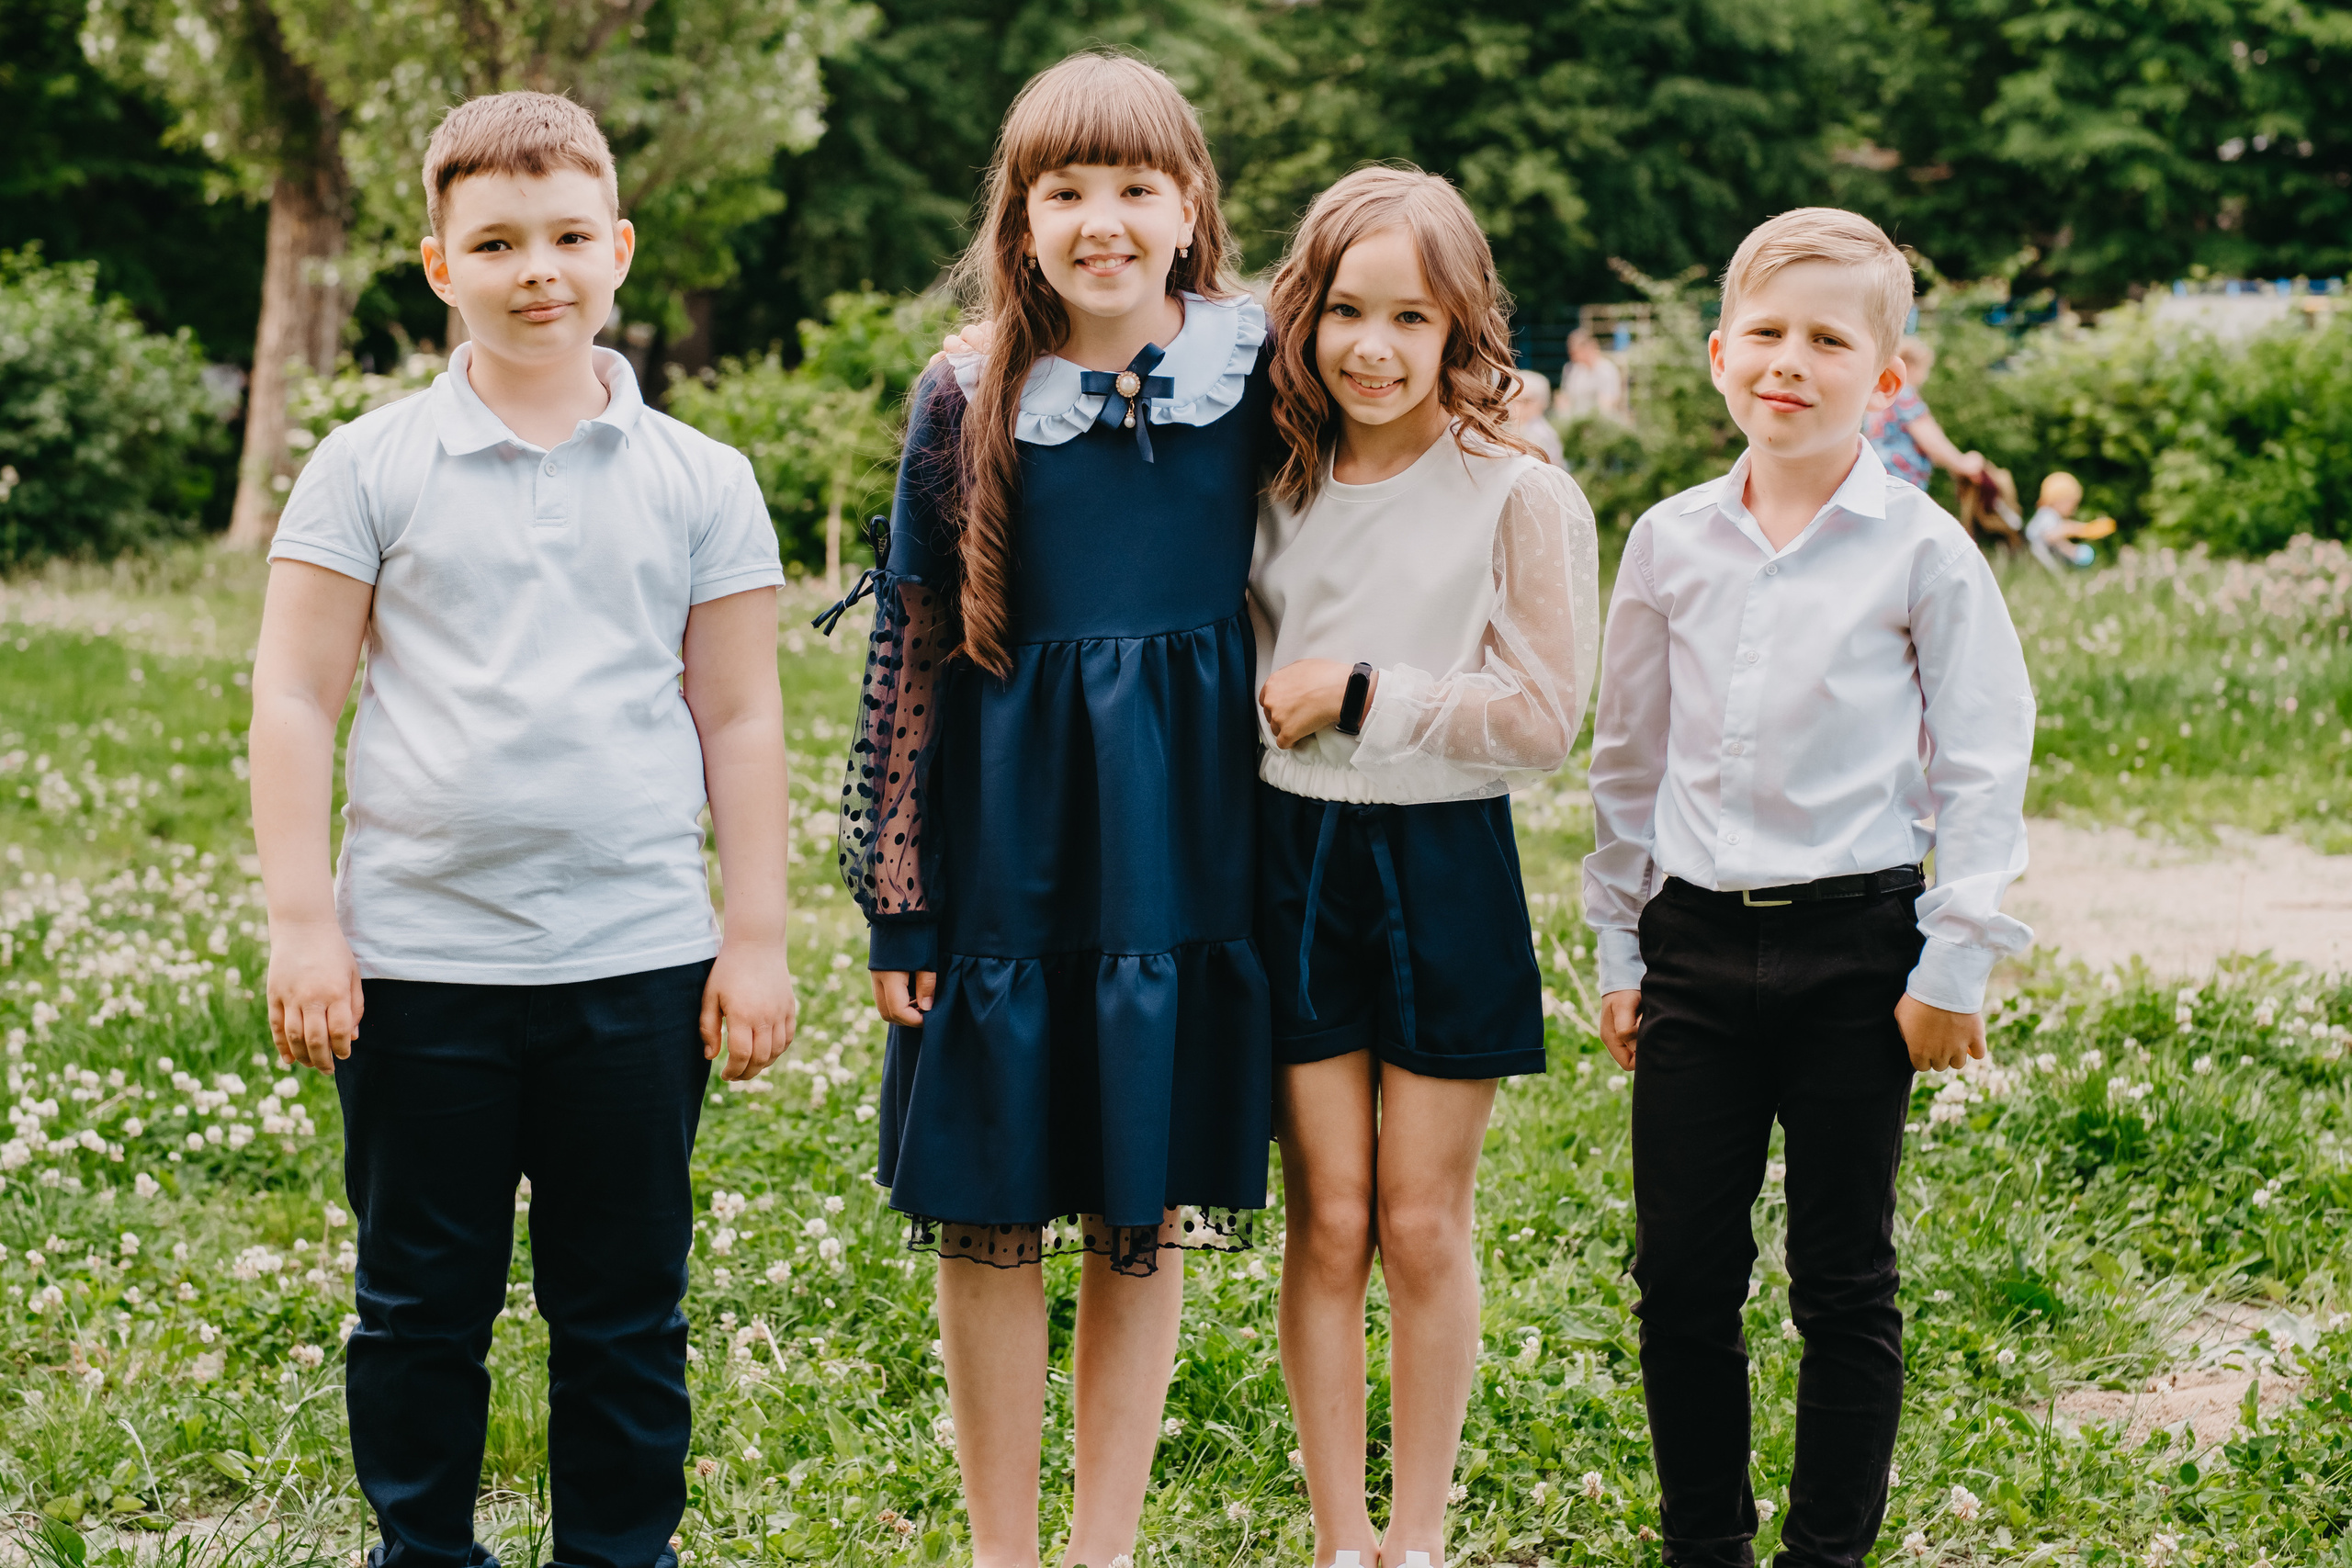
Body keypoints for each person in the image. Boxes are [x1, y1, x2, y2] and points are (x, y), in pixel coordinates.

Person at [250, 93, 797, 1568]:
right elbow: (297, 696)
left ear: (617, 249)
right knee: (420, 1301)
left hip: (634, 961)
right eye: (495, 241)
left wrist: (754, 937)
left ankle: (619, 1554)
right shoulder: (368, 464)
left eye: (566, 236)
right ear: (441, 266)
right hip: (421, 964)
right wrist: (309, 923)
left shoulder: (702, 477)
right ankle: (421, 1548)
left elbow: (740, 717)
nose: (535, 268)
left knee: (624, 1307)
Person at [827, 52, 1272, 1568]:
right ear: (1017, 217)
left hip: (1184, 847)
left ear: (1188, 204)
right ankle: (1004, 1548)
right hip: (1007, 842)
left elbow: (1398, 454)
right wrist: (899, 887)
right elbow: (908, 645)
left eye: (1134, 186)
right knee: (992, 1206)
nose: (1102, 220)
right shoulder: (964, 391)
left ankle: (1105, 1547)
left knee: (1134, 1205)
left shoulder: (1253, 372)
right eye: (1065, 189)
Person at [1582, 208, 2033, 1568]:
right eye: (1766, 334)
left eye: (1828, 340)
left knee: (1843, 1277)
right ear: (1721, 354)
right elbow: (1627, 758)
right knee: (1681, 1283)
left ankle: (1826, 1551)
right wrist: (1618, 946)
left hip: (1858, 948)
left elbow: (1983, 755)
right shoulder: (1667, 541)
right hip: (1695, 950)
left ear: (1887, 380)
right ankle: (1704, 1543)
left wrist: (1954, 962)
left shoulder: (1920, 550)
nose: (1790, 361)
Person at [1250, 166, 1600, 1568]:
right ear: (1305, 314)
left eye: (1412, 315)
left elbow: (1540, 716)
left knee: (1418, 1218)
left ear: (1463, 325)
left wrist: (1366, 692)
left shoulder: (1517, 491)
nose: (1374, 347)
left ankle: (1422, 1534)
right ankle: (1343, 1538)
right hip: (1292, 853)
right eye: (1345, 310)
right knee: (1327, 1215)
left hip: (1445, 854)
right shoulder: (1270, 476)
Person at [1863, 336, 1985, 492]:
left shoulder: (1883, 394)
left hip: (1878, 479)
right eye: (1925, 369)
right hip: (1899, 482)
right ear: (1911, 366)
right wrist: (1962, 463)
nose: (1925, 377)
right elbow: (1930, 439)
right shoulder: (1904, 394)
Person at [2024, 469, 2112, 571]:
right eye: (2072, 503)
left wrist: (2072, 545)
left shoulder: (2049, 515)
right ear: (2058, 500)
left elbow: (2057, 540)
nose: (2074, 508)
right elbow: (2050, 536)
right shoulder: (2048, 515)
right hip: (2034, 554)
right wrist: (2072, 535)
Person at [1555, 327, 1627, 423]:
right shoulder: (1573, 370)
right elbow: (1565, 399)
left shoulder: (1607, 370)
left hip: (1599, 425)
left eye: (1575, 351)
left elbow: (1607, 406)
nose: (1572, 356)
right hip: (1576, 424)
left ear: (1589, 347)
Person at [1508, 368, 1566, 465]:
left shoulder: (1538, 434)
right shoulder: (1515, 428)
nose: (1517, 406)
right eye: (1513, 399)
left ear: (1542, 403)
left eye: (1525, 401)